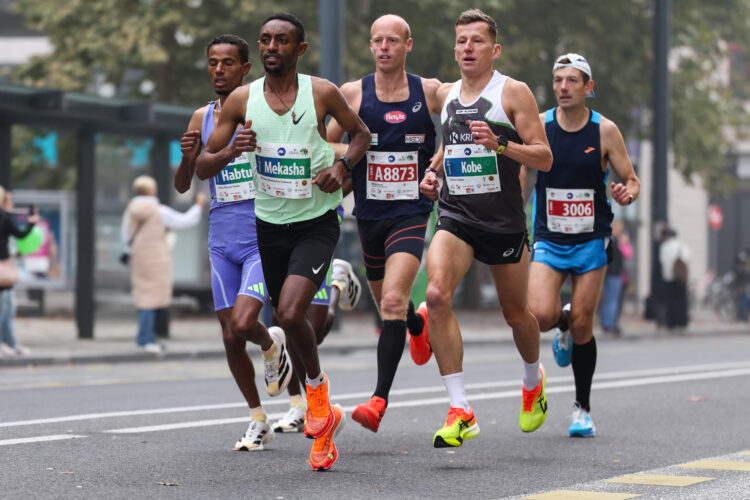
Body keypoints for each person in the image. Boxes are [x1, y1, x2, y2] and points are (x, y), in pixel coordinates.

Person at [196, 13, 371, 470]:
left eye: (282, 40)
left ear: (300, 49)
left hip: (315, 222)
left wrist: (342, 167)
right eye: (266, 40)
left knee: (291, 312)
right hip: (268, 226)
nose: (272, 46)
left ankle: (317, 400)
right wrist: (233, 150)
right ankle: (323, 417)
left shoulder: (321, 93)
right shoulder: (241, 100)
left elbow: (362, 135)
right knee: (289, 320)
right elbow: (203, 165)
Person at [419, 9, 553, 448]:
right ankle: (460, 410)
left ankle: (533, 380)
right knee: (436, 295)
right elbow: (448, 141)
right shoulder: (445, 93)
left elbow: (543, 156)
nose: (467, 48)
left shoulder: (512, 92)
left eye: (477, 41)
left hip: (503, 223)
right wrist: (434, 170)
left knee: (517, 316)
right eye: (461, 41)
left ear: (494, 50)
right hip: (456, 216)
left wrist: (500, 144)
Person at [174, 34, 304, 451]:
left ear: (245, 69)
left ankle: (271, 344)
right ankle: (257, 418)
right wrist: (186, 157)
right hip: (221, 238)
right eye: (213, 62)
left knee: (246, 323)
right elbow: (186, 183)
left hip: (261, 234)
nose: (218, 70)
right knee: (230, 335)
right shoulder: (200, 116)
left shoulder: (265, 109)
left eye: (228, 63)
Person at [325, 14, 440, 433]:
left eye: (393, 40)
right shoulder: (353, 93)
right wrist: (350, 155)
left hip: (410, 214)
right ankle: (417, 325)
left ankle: (378, 401)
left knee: (391, 301)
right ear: (371, 47)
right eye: (378, 40)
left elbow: (465, 116)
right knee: (392, 304)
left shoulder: (428, 92)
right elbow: (328, 142)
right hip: (369, 213)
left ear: (408, 45)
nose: (385, 47)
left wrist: (438, 167)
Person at [526, 52, 641, 437]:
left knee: (583, 325)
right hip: (550, 237)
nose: (563, 87)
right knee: (539, 316)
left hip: (592, 239)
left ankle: (582, 409)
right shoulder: (540, 125)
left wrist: (627, 193)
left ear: (588, 87)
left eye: (572, 81)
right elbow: (525, 171)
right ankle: (559, 321)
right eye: (558, 80)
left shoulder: (604, 130)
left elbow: (632, 178)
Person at [120, 175, 205, 354]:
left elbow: (125, 237)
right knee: (151, 299)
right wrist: (198, 205)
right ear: (152, 190)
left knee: (143, 296)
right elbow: (185, 220)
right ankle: (146, 338)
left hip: (139, 258)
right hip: (156, 258)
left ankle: (146, 336)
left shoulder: (131, 210)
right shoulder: (158, 211)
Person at [0, 186, 37, 356]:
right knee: (6, 307)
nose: (13, 205)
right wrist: (31, 224)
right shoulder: (3, 217)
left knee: (8, 306)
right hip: (3, 268)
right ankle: (5, 342)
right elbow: (20, 235)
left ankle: (10, 342)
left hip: (5, 267)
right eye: (10, 201)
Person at [599, 220, 633, 335]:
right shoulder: (615, 242)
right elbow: (627, 255)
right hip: (613, 274)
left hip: (607, 273)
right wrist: (624, 243)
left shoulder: (607, 241)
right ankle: (610, 324)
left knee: (608, 299)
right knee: (612, 300)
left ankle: (606, 323)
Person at [659, 227, 690, 331]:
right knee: (681, 301)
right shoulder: (682, 246)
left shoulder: (664, 246)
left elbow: (662, 261)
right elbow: (689, 259)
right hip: (680, 278)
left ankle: (671, 323)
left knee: (670, 301)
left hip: (668, 277)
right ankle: (682, 322)